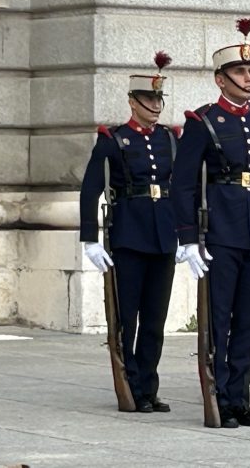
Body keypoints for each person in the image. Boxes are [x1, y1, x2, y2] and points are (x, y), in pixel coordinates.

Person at [172, 18, 250, 428]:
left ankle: (239, 398)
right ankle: (218, 396)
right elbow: (184, 183)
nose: (249, 77)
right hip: (221, 232)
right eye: (240, 71)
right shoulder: (203, 121)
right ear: (219, 79)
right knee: (219, 318)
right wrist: (189, 239)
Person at [79, 51, 181, 413]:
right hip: (128, 236)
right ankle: (129, 384)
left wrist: (186, 235)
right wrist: (90, 239)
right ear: (132, 102)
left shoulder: (170, 140)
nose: (155, 105)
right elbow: (90, 189)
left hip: (163, 236)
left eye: (159, 99)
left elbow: (182, 189)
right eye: (149, 99)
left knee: (155, 319)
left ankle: (149, 387)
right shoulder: (113, 139)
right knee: (127, 318)